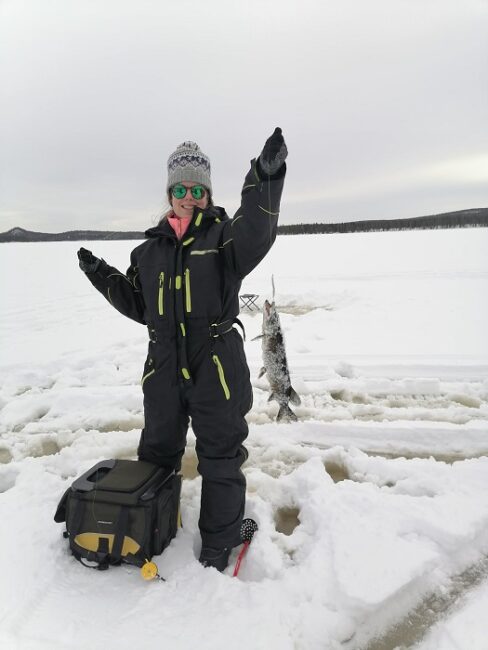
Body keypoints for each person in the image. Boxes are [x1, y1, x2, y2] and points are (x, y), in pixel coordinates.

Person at [77, 127, 288, 571]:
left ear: (208, 194)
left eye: (198, 189)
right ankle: (151, 522)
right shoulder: (148, 252)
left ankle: (218, 543)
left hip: (215, 366)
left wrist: (265, 179)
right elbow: (140, 305)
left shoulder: (225, 239)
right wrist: (103, 276)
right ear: (169, 193)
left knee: (221, 457)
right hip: (164, 367)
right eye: (181, 189)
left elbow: (258, 230)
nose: (189, 197)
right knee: (157, 453)